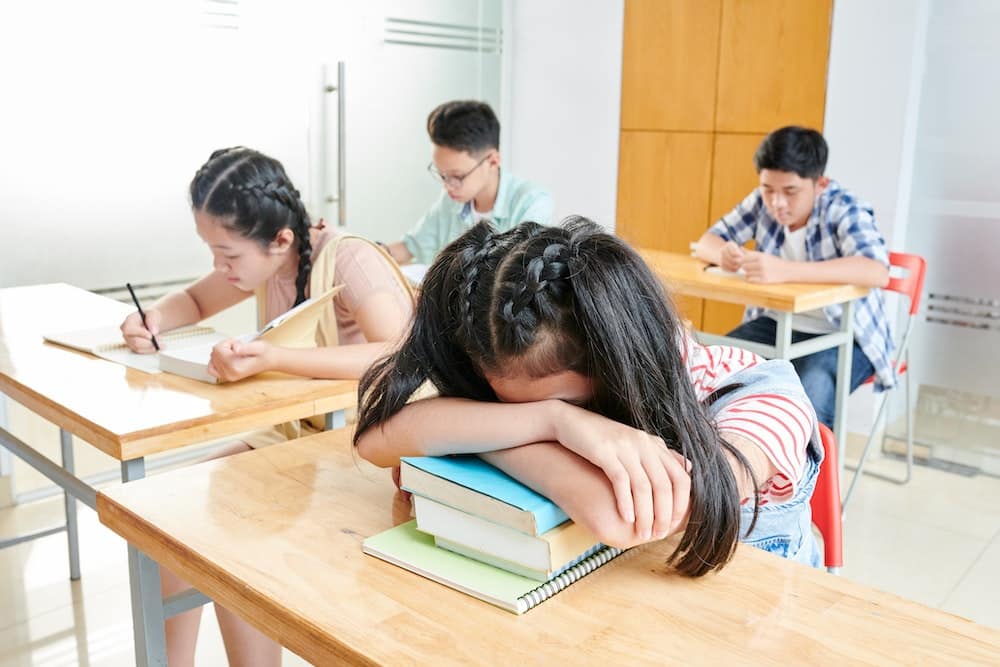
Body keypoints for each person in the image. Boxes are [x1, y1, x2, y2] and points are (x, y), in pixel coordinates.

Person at [355, 218, 823, 577]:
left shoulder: (765, 399)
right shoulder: (548, 391)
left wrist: (480, 436)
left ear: (615, 368)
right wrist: (555, 421)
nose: (518, 417)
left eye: (568, 405)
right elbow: (376, 440)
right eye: (509, 408)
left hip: (757, 608)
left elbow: (618, 518)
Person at [120, 146, 414, 667]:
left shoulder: (349, 258)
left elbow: (396, 353)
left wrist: (275, 356)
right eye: (212, 251)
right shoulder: (269, 261)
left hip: (359, 448)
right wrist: (153, 318)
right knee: (163, 521)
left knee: (226, 534)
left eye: (228, 255)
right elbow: (192, 301)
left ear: (279, 240)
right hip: (294, 437)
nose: (220, 266)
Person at [693, 126, 894, 428]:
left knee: (810, 395)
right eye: (768, 189)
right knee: (710, 371)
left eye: (790, 191)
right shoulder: (765, 199)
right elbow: (708, 241)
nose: (778, 203)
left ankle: (810, 474)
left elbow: (877, 271)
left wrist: (785, 271)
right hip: (778, 323)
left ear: (820, 184)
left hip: (844, 333)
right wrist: (724, 254)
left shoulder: (843, 208)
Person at [385, 100, 554, 267]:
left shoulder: (531, 204)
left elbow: (517, 277)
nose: (448, 186)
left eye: (457, 176)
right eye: (442, 175)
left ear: (493, 161)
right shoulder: (451, 201)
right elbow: (410, 247)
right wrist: (370, 251)